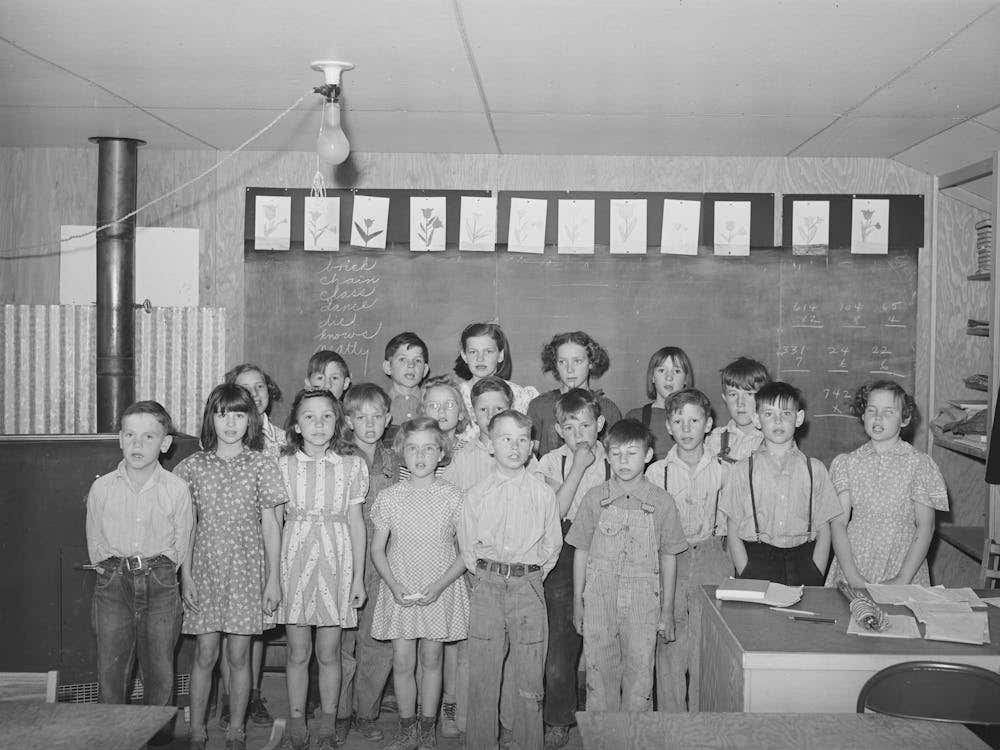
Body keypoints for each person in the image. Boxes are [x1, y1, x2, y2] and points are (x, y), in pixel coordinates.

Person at [176, 384, 286, 750]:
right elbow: (186, 527)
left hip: (245, 571)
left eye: (239, 415)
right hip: (205, 571)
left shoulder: (261, 464)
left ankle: (236, 729)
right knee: (205, 654)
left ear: (250, 420)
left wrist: (274, 578)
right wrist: (186, 575)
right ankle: (196, 731)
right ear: (211, 417)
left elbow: (271, 524)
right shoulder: (192, 466)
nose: (231, 423)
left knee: (239, 656)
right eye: (223, 414)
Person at [86, 400, 193, 744]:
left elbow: (181, 541)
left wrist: (161, 571)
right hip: (113, 582)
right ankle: (111, 740)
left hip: (160, 582)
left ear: (165, 444)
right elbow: (95, 539)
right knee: (111, 670)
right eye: (130, 435)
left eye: (148, 436)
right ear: (119, 439)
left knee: (159, 671)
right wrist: (110, 569)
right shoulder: (102, 488)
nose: (137, 443)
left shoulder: (176, 489)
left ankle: (157, 740)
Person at [458, 410, 562, 750]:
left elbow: (551, 547)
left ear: (531, 445)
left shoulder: (543, 494)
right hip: (486, 587)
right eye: (505, 439)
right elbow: (469, 549)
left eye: (521, 439)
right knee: (483, 680)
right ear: (489, 444)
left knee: (529, 680)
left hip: (528, 589)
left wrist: (527, 577)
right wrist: (492, 576)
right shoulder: (475, 495)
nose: (514, 447)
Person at [568, 419, 687, 712]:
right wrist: (578, 601)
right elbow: (581, 551)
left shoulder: (662, 502)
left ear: (648, 456)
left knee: (640, 680)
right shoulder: (595, 499)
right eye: (617, 453)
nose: (623, 461)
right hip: (599, 603)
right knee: (599, 678)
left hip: (643, 605)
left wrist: (667, 610)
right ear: (607, 456)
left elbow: (669, 557)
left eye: (632, 453)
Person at [275, 388, 368, 750]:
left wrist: (358, 576)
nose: (318, 424)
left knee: (329, 653)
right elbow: (274, 523)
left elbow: (356, 522)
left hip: (337, 562)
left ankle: (328, 724)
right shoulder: (281, 464)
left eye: (326, 416)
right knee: (298, 653)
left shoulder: (352, 464)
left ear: (338, 422)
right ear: (296, 425)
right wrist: (273, 578)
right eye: (309, 417)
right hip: (294, 561)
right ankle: (297, 721)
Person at [371, 417, 469, 750]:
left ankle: (428, 726)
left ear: (442, 453)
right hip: (400, 589)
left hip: (439, 589)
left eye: (429, 448)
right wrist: (393, 583)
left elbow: (466, 553)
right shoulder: (389, 497)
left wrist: (441, 584)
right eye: (412, 448)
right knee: (402, 661)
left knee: (433, 659)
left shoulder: (454, 497)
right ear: (401, 452)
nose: (420, 455)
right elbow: (377, 549)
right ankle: (407, 727)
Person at [645, 389, 732, 712]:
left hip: (712, 557)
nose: (686, 428)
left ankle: (702, 726)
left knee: (706, 647)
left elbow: (730, 526)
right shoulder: (657, 473)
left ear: (708, 424)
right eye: (678, 421)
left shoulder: (724, 470)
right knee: (669, 643)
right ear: (668, 426)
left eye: (694, 420)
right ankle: (672, 726)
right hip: (671, 560)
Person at [533, 389, 611, 748]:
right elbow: (555, 512)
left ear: (600, 424)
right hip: (563, 547)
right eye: (570, 426)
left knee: (606, 637)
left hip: (610, 546)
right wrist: (578, 467)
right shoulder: (548, 463)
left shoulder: (617, 459)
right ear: (559, 430)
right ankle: (558, 717)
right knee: (561, 640)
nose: (580, 433)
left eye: (586, 424)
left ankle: (606, 716)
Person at [827, 380, 948, 587]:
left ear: (905, 419)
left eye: (888, 412)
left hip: (904, 567)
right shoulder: (847, 463)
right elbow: (838, 524)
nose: (878, 417)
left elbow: (926, 526)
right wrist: (853, 578)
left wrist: (902, 579)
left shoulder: (919, 464)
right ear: (863, 415)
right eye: (871, 410)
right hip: (854, 564)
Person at [719, 382, 841, 587]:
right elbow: (732, 527)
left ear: (799, 418)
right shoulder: (742, 469)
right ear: (756, 419)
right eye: (769, 414)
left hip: (804, 560)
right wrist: (745, 569)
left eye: (786, 413)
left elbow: (824, 527)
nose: (778, 421)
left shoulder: (815, 469)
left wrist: (816, 570)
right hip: (756, 560)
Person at [221, 362, 285, 728]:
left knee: (258, 624)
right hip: (233, 541)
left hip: (272, 536)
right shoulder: (228, 434)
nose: (254, 395)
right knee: (233, 629)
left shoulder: (283, 438)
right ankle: (231, 701)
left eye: (260, 387)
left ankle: (254, 696)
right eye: (245, 389)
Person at [337, 383, 400, 743]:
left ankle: (366, 712)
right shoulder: (340, 458)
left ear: (388, 419)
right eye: (361, 417)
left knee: (378, 642)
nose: (370, 424)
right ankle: (340, 710)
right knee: (342, 641)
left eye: (377, 416)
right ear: (348, 421)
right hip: (346, 560)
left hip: (385, 561)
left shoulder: (395, 461)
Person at [528, 331, 621, 457]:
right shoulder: (539, 406)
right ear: (555, 364)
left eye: (577, 361)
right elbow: (530, 460)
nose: (569, 369)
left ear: (591, 363)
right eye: (562, 362)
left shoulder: (608, 409)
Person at [453, 322, 539, 429]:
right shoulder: (456, 396)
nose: (480, 358)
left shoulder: (519, 396)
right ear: (464, 356)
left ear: (500, 355)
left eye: (488, 351)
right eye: (473, 352)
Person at [625, 347, 694, 461]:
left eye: (677, 371)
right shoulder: (636, 417)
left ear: (686, 379)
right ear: (652, 377)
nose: (669, 377)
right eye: (662, 370)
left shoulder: (696, 417)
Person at [705, 357, 771, 463]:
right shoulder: (714, 440)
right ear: (725, 398)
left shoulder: (772, 440)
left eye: (749, 394)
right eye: (733, 394)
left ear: (763, 399)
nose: (740, 403)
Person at [382, 333, 431, 438]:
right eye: (402, 359)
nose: (411, 365)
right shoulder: (379, 405)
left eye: (417, 360)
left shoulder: (432, 404)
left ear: (425, 370)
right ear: (388, 367)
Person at [419, 373, 471, 453]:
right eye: (434, 405)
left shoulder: (471, 451)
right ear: (424, 413)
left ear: (460, 413)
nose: (441, 410)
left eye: (450, 405)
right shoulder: (417, 450)